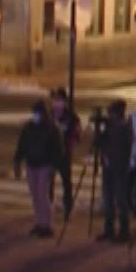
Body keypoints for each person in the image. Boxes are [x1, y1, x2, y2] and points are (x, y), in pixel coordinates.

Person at [14, 102, 66, 238]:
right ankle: (39, 222)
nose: (35, 115)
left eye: (37, 113)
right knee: (35, 195)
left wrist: (54, 166)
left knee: (43, 195)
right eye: (34, 112)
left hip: (45, 164)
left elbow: (58, 149)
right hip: (31, 164)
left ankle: (47, 225)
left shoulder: (52, 128)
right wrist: (18, 162)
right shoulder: (29, 127)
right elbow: (22, 145)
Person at [98, 101, 133, 243]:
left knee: (121, 200)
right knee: (107, 199)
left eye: (111, 112)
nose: (109, 115)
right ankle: (109, 229)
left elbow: (126, 148)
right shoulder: (110, 126)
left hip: (120, 168)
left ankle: (124, 231)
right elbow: (101, 142)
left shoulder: (125, 127)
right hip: (108, 166)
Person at [52, 91, 83, 222]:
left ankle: (67, 208)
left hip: (64, 154)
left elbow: (77, 134)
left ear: (65, 101)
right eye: (55, 100)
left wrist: (71, 142)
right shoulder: (50, 114)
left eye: (60, 100)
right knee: (48, 183)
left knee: (66, 183)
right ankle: (47, 209)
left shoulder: (71, 117)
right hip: (51, 154)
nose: (57, 103)